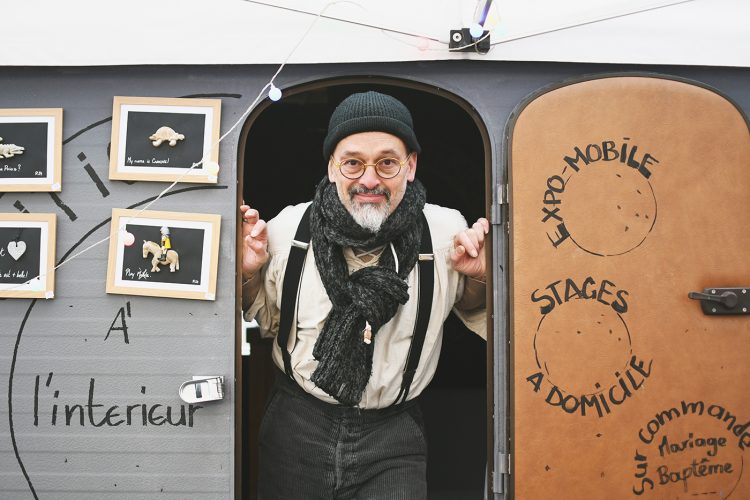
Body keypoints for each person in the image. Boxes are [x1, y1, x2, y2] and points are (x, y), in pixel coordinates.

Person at [241, 91, 488, 500]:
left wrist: (479, 278)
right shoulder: (287, 230)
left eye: (387, 162)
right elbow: (266, 319)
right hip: (296, 423)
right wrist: (248, 274)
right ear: (332, 168)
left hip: (395, 433)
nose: (369, 180)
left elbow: (475, 310)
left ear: (410, 167)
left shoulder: (446, 234)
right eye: (353, 162)